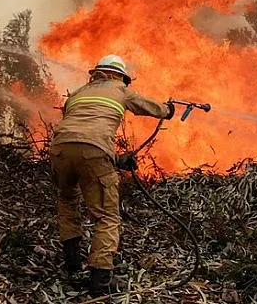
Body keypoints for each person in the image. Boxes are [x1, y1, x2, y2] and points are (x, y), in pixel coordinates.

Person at [50, 54, 174, 297]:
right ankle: (100, 280)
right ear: (118, 75)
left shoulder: (76, 94)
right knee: (106, 216)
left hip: (60, 150)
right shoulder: (120, 89)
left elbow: (81, 135)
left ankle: (73, 268)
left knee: (67, 201)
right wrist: (168, 110)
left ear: (96, 73)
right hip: (93, 151)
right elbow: (149, 107)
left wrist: (117, 160)